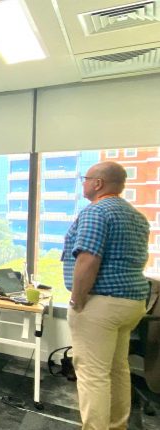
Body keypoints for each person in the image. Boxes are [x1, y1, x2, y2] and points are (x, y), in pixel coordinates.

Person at [62, 161, 149, 429]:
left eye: (86, 179)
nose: (83, 183)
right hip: (132, 302)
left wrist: (77, 299)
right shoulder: (136, 215)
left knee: (93, 374)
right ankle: (117, 426)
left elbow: (88, 259)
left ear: (98, 183)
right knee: (117, 368)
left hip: (101, 304)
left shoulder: (96, 211)